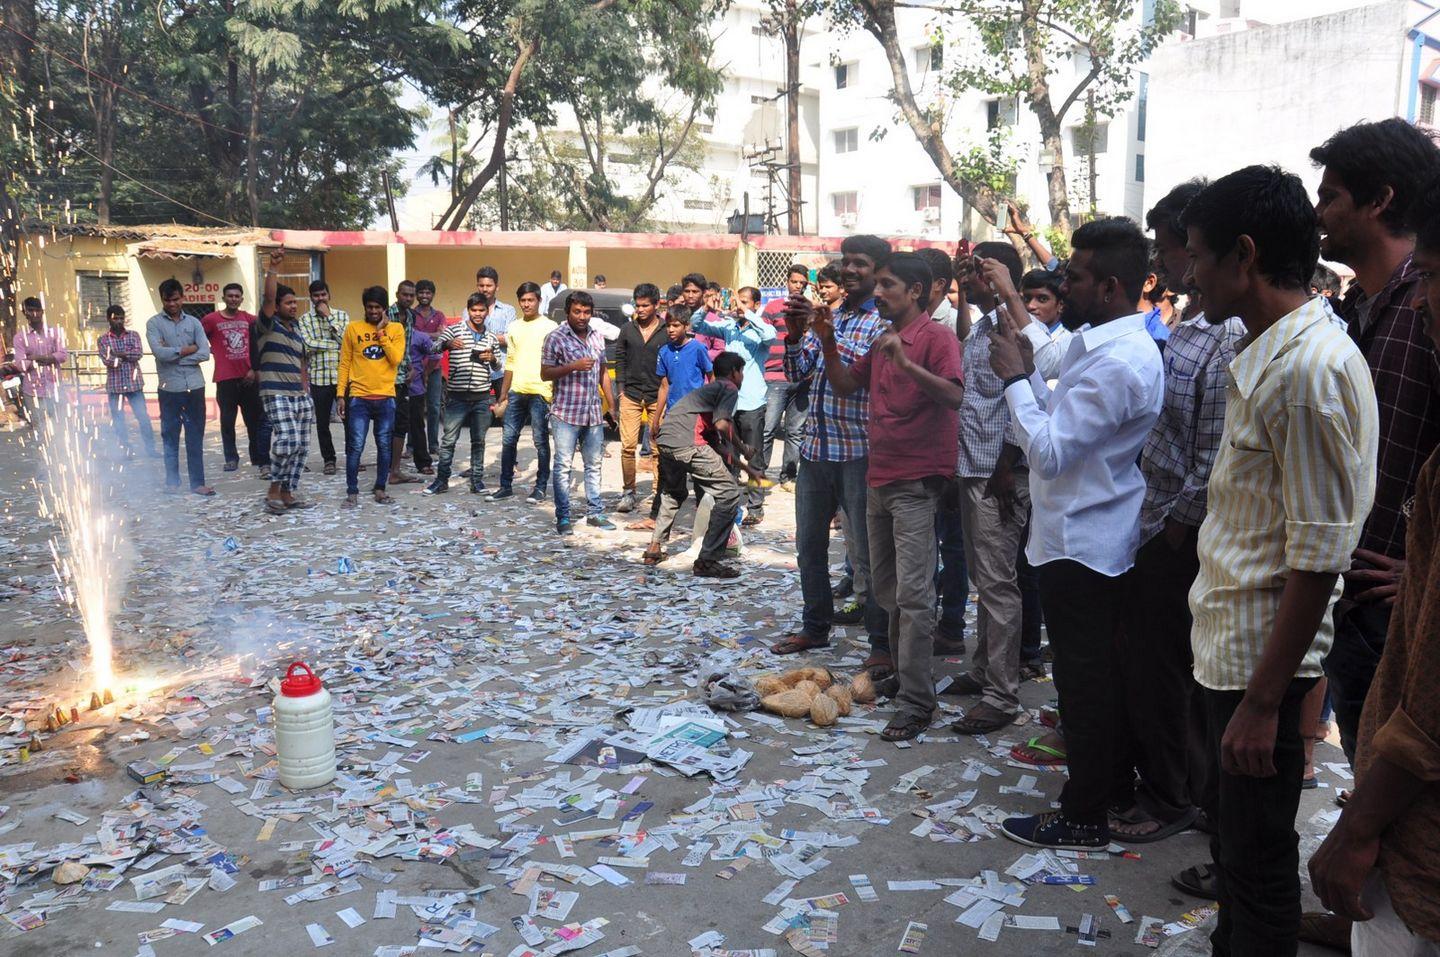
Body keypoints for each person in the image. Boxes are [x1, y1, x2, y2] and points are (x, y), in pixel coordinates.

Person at [1182, 166, 1379, 956]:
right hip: (1230, 648)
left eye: (1197, 255)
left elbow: (1318, 556)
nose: (1187, 273)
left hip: (1258, 669)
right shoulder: (1272, 350)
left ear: (1245, 254)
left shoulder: (1309, 370)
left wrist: (1267, 703)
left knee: (1259, 864)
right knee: (1234, 851)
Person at [988, 216, 1164, 850]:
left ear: (1111, 286)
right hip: (1077, 531)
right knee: (1090, 680)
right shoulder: (1103, 344)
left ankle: (1085, 813)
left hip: (1083, 544)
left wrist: (1013, 379)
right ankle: (1108, 790)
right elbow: (1057, 419)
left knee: (1086, 686)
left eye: (1076, 277)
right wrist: (1027, 374)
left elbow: (1051, 454)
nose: (1064, 287)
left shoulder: (1121, 360)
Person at [1309, 170, 1440, 957]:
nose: (1424, 301)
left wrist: (1357, 832)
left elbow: (1427, 714)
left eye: (1437, 278)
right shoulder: (1372, 314)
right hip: (1380, 598)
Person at [1108, 179, 1247, 844]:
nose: (1166, 261)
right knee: (1163, 666)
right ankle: (1178, 782)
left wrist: (1175, 525)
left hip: (1183, 529)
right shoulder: (1189, 326)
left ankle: (1170, 795)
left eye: (1176, 248)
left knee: (1165, 668)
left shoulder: (1227, 337)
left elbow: (1212, 452)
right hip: (1160, 517)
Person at [810, 253, 964, 741]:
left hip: (917, 485)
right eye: (877, 285)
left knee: (915, 597)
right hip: (879, 478)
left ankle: (919, 701)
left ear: (916, 291)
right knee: (886, 591)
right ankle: (904, 675)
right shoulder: (881, 339)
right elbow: (844, 384)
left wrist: (904, 362)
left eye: (887, 286)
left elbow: (955, 396)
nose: (877, 293)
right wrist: (828, 341)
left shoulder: (936, 338)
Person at [770, 235, 892, 671]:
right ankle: (815, 626)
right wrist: (797, 333)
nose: (850, 270)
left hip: (860, 452)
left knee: (866, 553)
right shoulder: (834, 317)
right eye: (847, 262)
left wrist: (824, 337)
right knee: (808, 545)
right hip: (817, 449)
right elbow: (797, 372)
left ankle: (881, 643)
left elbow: (856, 378)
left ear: (879, 271)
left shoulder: (883, 324)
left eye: (860, 263)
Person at [945, 243, 1032, 734]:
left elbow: (1022, 394)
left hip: (999, 472)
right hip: (974, 466)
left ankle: (1002, 695)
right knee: (987, 579)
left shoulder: (1010, 325)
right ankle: (984, 671)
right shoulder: (983, 322)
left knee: (999, 585)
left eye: (975, 274)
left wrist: (1006, 464)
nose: (967, 281)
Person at [643, 352, 761, 578]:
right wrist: (744, 447)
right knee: (728, 494)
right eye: (742, 371)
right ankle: (707, 560)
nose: (742, 376)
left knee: (672, 493)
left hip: (667, 441)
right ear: (735, 372)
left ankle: (654, 547)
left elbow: (719, 448)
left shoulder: (707, 393)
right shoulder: (728, 388)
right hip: (688, 442)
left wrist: (748, 469)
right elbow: (722, 424)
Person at [913, 247, 968, 651]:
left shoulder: (950, 327)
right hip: (918, 454)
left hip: (949, 453)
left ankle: (950, 626)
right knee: (923, 547)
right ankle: (927, 621)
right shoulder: (906, 326)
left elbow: (955, 395)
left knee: (951, 544)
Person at [691, 286, 777, 523]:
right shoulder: (728, 326)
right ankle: (729, 504)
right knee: (730, 455)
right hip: (730, 402)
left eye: (746, 302)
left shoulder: (760, 330)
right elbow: (697, 325)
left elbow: (771, 336)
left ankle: (755, 506)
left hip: (751, 402)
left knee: (754, 455)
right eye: (738, 301)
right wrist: (706, 308)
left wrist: (746, 313)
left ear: (756, 305)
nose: (740, 306)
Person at [541, 291, 617, 534]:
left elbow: (603, 372)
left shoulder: (597, 336)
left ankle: (595, 513)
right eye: (577, 312)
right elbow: (545, 373)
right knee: (563, 466)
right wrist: (572, 366)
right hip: (565, 413)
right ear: (568, 312)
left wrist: (611, 405)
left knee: (593, 465)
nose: (582, 317)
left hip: (593, 412)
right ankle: (563, 517)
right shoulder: (555, 338)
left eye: (587, 312)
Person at [255, 247, 317, 513]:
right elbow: (268, 297)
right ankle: (273, 490)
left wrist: (306, 391)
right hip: (275, 391)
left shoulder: (297, 331)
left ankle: (288, 492)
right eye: (288, 303)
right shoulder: (268, 325)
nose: (293, 306)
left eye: (295, 302)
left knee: (301, 446)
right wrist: (273, 268)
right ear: (277, 306)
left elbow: (302, 362)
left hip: (299, 394)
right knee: (287, 440)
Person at [338, 285, 406, 508]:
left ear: (384, 309)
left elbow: (396, 359)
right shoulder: (352, 329)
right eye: (369, 307)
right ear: (364, 307)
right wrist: (341, 395)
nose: (373, 311)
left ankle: (380, 488)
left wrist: (381, 333)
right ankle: (352, 491)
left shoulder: (396, 329)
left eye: (378, 307)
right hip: (359, 397)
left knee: (384, 445)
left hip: (386, 397)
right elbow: (345, 363)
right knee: (355, 446)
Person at [427, 292, 500, 495]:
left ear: (487, 312)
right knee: (449, 441)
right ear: (468, 311)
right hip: (457, 397)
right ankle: (441, 481)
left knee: (479, 441)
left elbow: (497, 367)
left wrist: (492, 358)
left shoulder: (491, 337)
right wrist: (447, 345)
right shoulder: (455, 330)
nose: (477, 314)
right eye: (474, 310)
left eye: (481, 310)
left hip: (481, 397)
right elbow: (433, 348)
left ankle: (476, 482)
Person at [145, 280, 213, 495]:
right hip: (169, 389)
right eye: (168, 300)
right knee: (170, 437)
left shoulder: (194, 323)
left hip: (194, 387)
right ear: (161, 299)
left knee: (195, 436)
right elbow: (159, 354)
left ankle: (197, 484)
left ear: (182, 298)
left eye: (176, 299)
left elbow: (205, 352)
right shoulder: (154, 324)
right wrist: (188, 349)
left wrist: (175, 353)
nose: (172, 304)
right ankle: (172, 483)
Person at [492, 282, 557, 504]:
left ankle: (540, 488)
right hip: (516, 391)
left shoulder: (550, 326)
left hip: (540, 391)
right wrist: (504, 392)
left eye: (531, 300)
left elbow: (555, 360)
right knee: (509, 439)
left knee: (540, 441)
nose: (526, 304)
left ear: (539, 300)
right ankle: (505, 486)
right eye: (523, 300)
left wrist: (554, 393)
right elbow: (509, 361)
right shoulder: (514, 327)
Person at [201, 282, 266, 473]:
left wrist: (255, 369)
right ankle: (231, 458)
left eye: (237, 296)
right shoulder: (210, 320)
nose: (233, 299)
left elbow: (259, 342)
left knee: (253, 421)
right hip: (225, 379)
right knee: (227, 422)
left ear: (242, 299)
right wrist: (209, 349)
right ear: (223, 298)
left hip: (249, 378)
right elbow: (196, 337)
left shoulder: (249, 319)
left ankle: (256, 456)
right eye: (230, 296)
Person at [760, 264, 814, 491]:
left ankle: (788, 477)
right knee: (768, 428)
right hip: (775, 375)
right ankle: (759, 475)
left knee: (795, 431)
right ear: (787, 281)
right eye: (795, 282)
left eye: (802, 283)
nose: (798, 286)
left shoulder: (810, 310)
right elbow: (762, 337)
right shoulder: (772, 308)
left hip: (803, 379)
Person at [614, 283, 666, 514]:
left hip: (658, 395)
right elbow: (620, 359)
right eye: (638, 305)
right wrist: (621, 390)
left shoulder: (666, 329)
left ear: (657, 305)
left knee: (658, 448)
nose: (641, 309)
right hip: (631, 394)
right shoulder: (627, 329)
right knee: (627, 447)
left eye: (646, 305)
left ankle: (658, 493)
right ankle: (629, 492)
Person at [297, 280, 347, 475]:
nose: (320, 298)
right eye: (316, 295)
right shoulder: (304, 320)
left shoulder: (341, 316)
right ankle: (329, 460)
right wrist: (335, 344)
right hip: (318, 378)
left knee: (349, 420)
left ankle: (353, 456)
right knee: (323, 423)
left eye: (323, 295)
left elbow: (346, 341)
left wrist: (328, 318)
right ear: (311, 298)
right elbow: (308, 345)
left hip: (342, 377)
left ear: (329, 295)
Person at [96, 305, 157, 458]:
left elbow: (138, 354)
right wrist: (125, 355)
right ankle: (125, 450)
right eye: (116, 318)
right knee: (118, 420)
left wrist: (119, 354)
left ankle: (151, 449)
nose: (119, 321)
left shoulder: (133, 335)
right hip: (115, 386)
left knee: (143, 417)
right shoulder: (103, 339)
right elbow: (108, 361)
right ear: (109, 319)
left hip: (134, 384)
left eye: (121, 318)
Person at [394, 287, 436, 481]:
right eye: (405, 295)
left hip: (415, 386)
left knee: (417, 425)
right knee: (392, 425)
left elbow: (435, 355)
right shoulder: (387, 321)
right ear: (397, 295)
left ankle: (423, 461)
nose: (408, 298)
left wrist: (424, 374)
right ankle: (390, 464)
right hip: (390, 384)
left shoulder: (418, 335)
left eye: (411, 295)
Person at [11, 297, 68, 427]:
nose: (34, 314)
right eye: (30, 310)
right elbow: (20, 364)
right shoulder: (20, 337)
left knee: (61, 427)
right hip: (32, 391)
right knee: (38, 430)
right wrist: (50, 358)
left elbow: (63, 355)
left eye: (37, 310)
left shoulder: (55, 332)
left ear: (42, 312)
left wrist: (35, 358)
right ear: (25, 313)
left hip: (55, 389)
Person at [411, 279, 447, 460]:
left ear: (433, 294)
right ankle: (412, 446)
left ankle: (433, 444)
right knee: (414, 408)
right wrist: (432, 335)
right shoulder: (410, 314)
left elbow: (442, 337)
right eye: (421, 292)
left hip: (434, 368)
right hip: (414, 368)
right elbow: (408, 335)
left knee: (433, 407)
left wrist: (421, 335)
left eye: (428, 292)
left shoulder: (439, 315)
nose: (425, 296)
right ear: (417, 294)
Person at [654, 310, 713, 417]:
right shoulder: (664, 351)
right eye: (668, 326)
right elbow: (664, 387)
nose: (671, 330)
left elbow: (712, 378)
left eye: (676, 325)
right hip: (673, 411)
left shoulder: (698, 348)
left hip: (694, 411)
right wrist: (656, 418)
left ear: (686, 326)